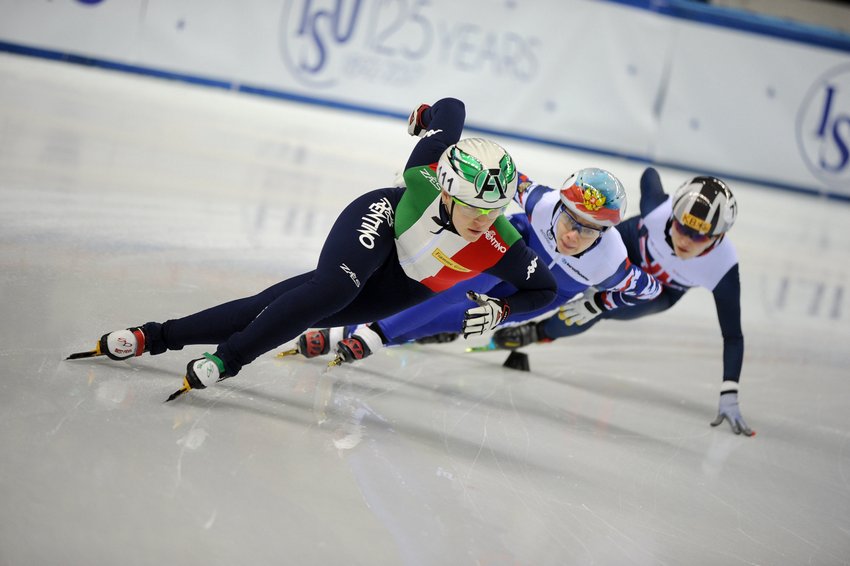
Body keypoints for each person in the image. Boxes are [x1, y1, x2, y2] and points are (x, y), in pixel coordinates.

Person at [67, 98, 557, 399]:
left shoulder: (501, 244)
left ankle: (154, 336)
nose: (483, 221)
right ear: (447, 191)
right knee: (330, 291)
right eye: (474, 207)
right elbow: (453, 111)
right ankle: (228, 361)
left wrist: (503, 308)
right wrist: (426, 116)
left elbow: (545, 288)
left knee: (274, 309)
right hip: (382, 222)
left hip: (408, 283)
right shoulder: (426, 171)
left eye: (494, 211)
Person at [285, 167, 662, 365]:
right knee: (445, 286)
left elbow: (651, 289)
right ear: (559, 206)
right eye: (570, 220)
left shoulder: (613, 264)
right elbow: (495, 171)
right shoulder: (542, 201)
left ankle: (365, 333)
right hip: (513, 252)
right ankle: (364, 333)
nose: (574, 235)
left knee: (455, 319)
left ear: (607, 231)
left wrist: (601, 303)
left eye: (590, 229)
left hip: (544, 292)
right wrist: (433, 178)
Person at [491, 167, 753, 436]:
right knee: (567, 277)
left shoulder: (722, 267)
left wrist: (729, 391)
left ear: (719, 237)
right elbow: (649, 174)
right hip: (628, 245)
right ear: (673, 214)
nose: (685, 239)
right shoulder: (657, 209)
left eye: (699, 236)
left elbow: (732, 334)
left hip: (662, 289)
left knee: (591, 311)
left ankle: (537, 333)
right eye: (681, 226)